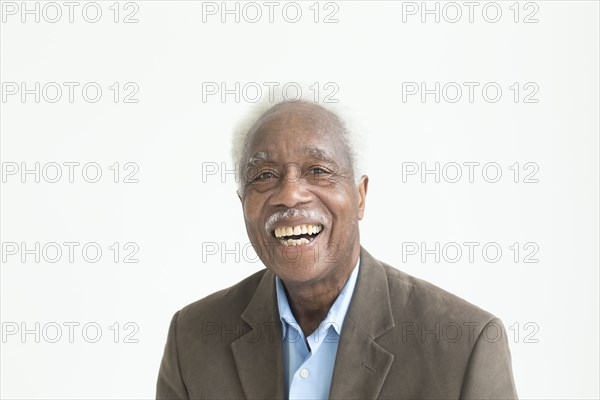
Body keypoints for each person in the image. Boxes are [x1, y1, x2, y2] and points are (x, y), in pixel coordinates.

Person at [156, 100, 518, 399]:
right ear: (242, 203)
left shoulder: (465, 344)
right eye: (265, 175)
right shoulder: (192, 337)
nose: (289, 194)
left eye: (317, 169)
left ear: (359, 196)